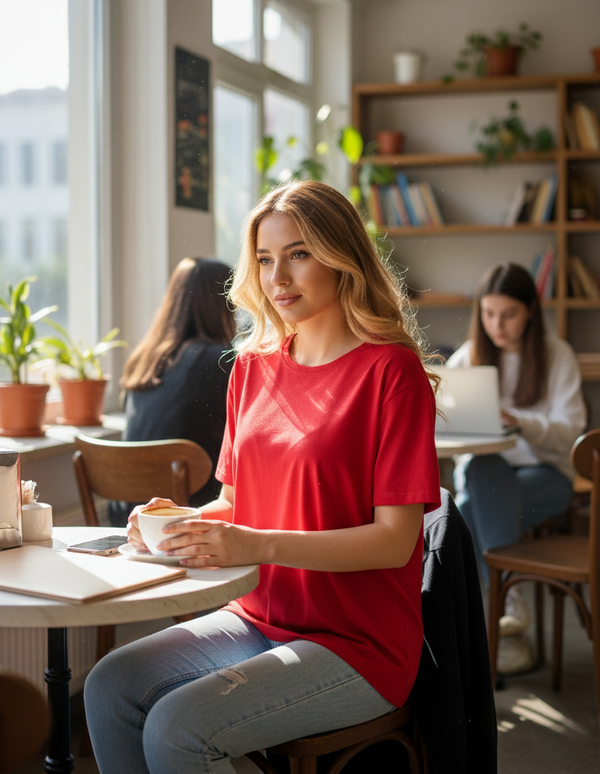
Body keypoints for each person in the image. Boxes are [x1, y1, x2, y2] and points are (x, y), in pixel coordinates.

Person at [84, 180, 442, 774]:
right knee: (110, 685)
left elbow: (396, 540)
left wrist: (253, 543)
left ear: (341, 257)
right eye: (265, 259)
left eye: (298, 254)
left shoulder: (390, 371)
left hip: (357, 644)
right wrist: (177, 524)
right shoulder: (251, 367)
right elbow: (235, 505)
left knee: (177, 729)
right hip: (257, 617)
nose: (278, 278)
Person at [447, 261, 586, 672]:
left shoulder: (556, 355)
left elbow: (571, 432)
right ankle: (509, 621)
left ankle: (494, 615)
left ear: (530, 310)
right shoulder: (467, 359)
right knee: (483, 473)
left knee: (466, 508)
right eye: (488, 314)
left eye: (508, 314)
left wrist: (519, 422)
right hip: (490, 479)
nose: (497, 325)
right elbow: (450, 433)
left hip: (547, 476)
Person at [111, 257, 236, 526]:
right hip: (193, 514)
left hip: (128, 518)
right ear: (224, 305)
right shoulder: (223, 361)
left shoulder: (143, 360)